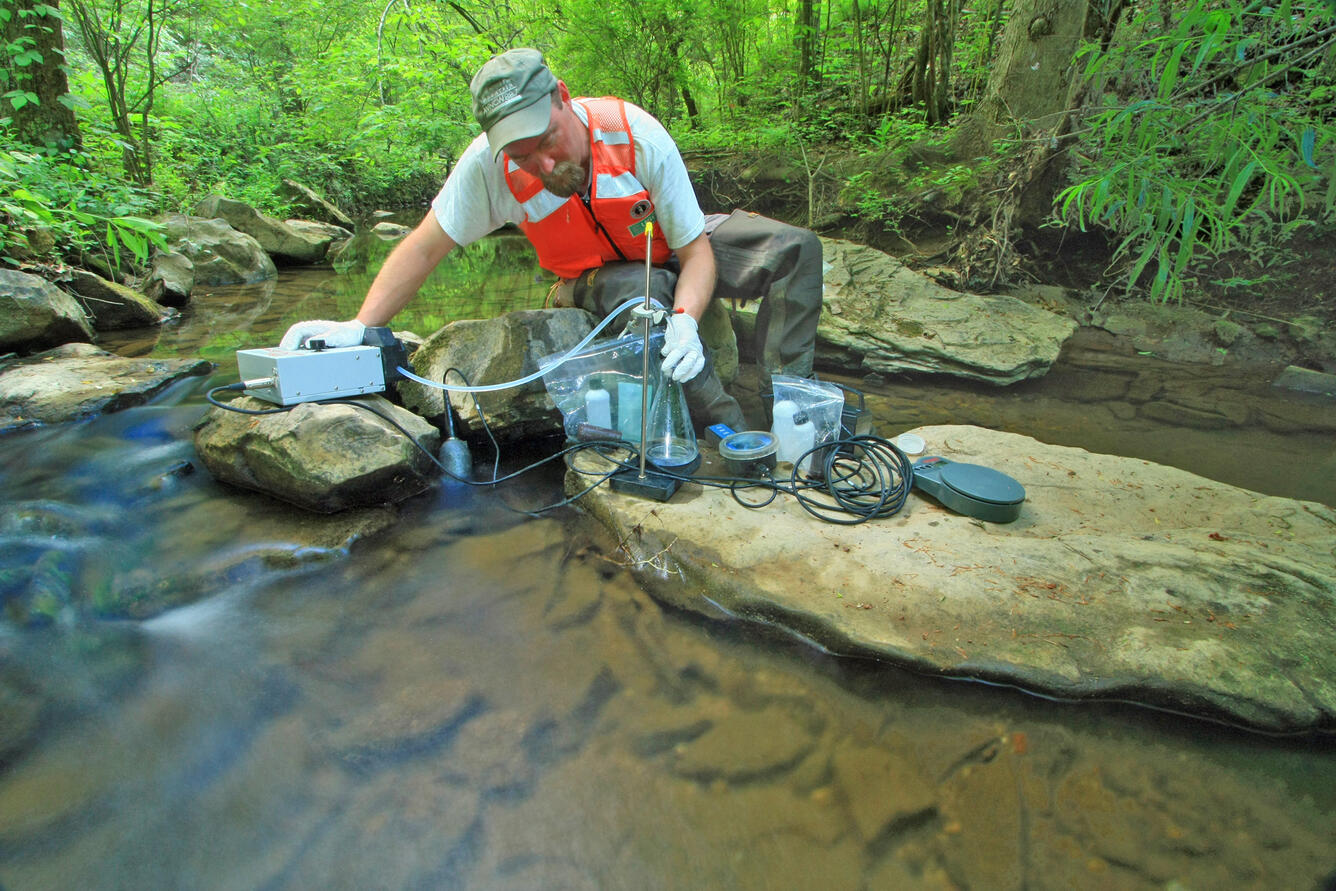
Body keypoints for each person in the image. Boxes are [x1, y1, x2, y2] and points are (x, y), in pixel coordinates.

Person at [280, 48, 823, 431]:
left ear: (564, 98)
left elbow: (695, 250)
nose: (541, 163)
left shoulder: (636, 134)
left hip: (669, 243)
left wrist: (688, 321)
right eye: (520, 156)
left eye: (546, 141)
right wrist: (362, 325)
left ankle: (792, 409)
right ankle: (728, 427)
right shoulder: (486, 169)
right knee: (647, 290)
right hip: (598, 275)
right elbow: (425, 246)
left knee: (797, 250)